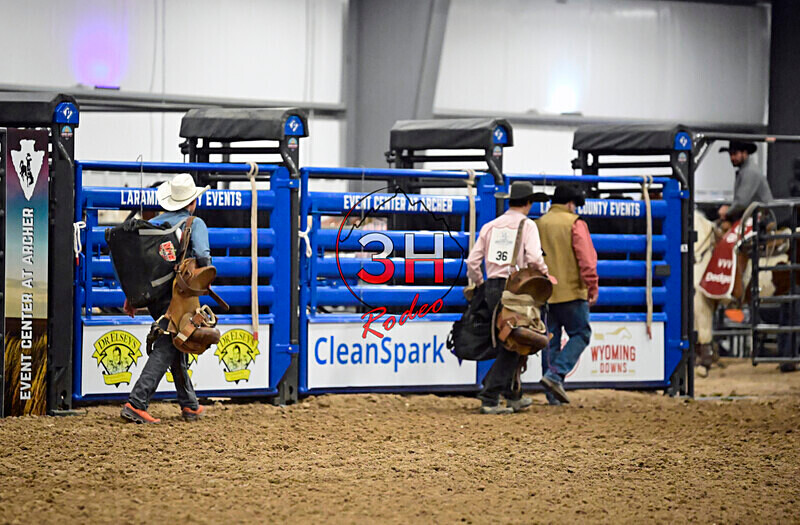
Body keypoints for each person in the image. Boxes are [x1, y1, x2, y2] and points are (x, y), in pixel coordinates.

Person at [120, 173, 212, 424]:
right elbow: (203, 259)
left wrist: (132, 297)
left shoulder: (155, 223)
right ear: (192, 202)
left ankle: (190, 405)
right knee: (169, 343)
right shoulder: (195, 223)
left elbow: (140, 265)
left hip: (153, 296)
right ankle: (137, 402)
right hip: (179, 296)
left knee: (175, 341)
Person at [467, 181, 552, 414]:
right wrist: (545, 274)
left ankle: (513, 394)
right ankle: (491, 394)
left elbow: (473, 262)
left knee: (510, 337)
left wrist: (482, 284)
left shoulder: (491, 226)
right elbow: (534, 257)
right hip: (518, 288)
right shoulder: (528, 226)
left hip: (493, 285)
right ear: (529, 203)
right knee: (517, 340)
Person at [537, 184, 598, 405]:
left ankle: (552, 392)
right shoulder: (575, 223)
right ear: (571, 203)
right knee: (581, 334)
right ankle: (555, 376)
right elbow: (587, 260)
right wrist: (592, 286)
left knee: (550, 340)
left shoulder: (539, 223)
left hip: (544, 292)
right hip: (571, 291)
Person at [717, 141, 772, 225]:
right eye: (730, 154)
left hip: (759, 220)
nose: (732, 158)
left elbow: (741, 203)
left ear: (745, 153)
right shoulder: (746, 171)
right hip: (753, 217)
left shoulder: (750, 172)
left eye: (735, 154)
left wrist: (727, 212)